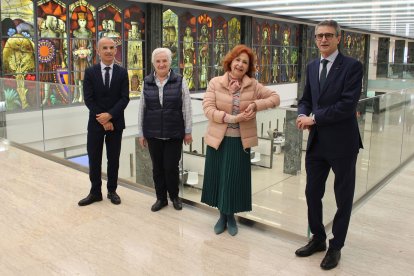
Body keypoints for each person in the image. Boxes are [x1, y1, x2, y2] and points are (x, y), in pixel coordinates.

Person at [295, 20, 363, 270]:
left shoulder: (353, 67)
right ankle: (318, 238)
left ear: (338, 38)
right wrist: (302, 114)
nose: (323, 40)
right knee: (312, 192)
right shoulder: (312, 66)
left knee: (343, 197)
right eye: (319, 36)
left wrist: (314, 118)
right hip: (317, 144)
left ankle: (336, 247)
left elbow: (347, 105)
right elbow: (306, 99)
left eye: (328, 35)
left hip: (343, 143)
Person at [201, 44, 280, 236]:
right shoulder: (215, 83)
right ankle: (222, 215)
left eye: (245, 62)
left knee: (234, 180)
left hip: (240, 142)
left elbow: (275, 98)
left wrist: (255, 104)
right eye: (238, 60)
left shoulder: (253, 85)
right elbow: (208, 108)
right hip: (218, 141)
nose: (240, 64)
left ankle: (231, 217)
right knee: (220, 178)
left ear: (248, 67)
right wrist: (231, 118)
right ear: (231, 61)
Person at [137, 47, 193, 212]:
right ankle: (161, 199)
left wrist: (188, 131)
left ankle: (174, 197)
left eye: (164, 61)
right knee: (157, 168)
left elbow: (187, 108)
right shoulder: (146, 82)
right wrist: (141, 133)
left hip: (174, 132)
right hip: (153, 133)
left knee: (171, 167)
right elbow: (142, 108)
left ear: (170, 62)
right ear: (153, 63)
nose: (161, 64)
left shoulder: (180, 80)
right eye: (158, 61)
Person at [78, 37, 130, 206]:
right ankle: (95, 192)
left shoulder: (122, 73)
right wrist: (103, 118)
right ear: (98, 51)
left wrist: (110, 116)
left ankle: (112, 191)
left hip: (116, 123)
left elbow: (124, 99)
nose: (108, 51)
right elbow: (88, 99)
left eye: (111, 48)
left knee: (113, 159)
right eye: (105, 48)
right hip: (96, 123)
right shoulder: (90, 72)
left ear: (116, 51)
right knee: (94, 158)